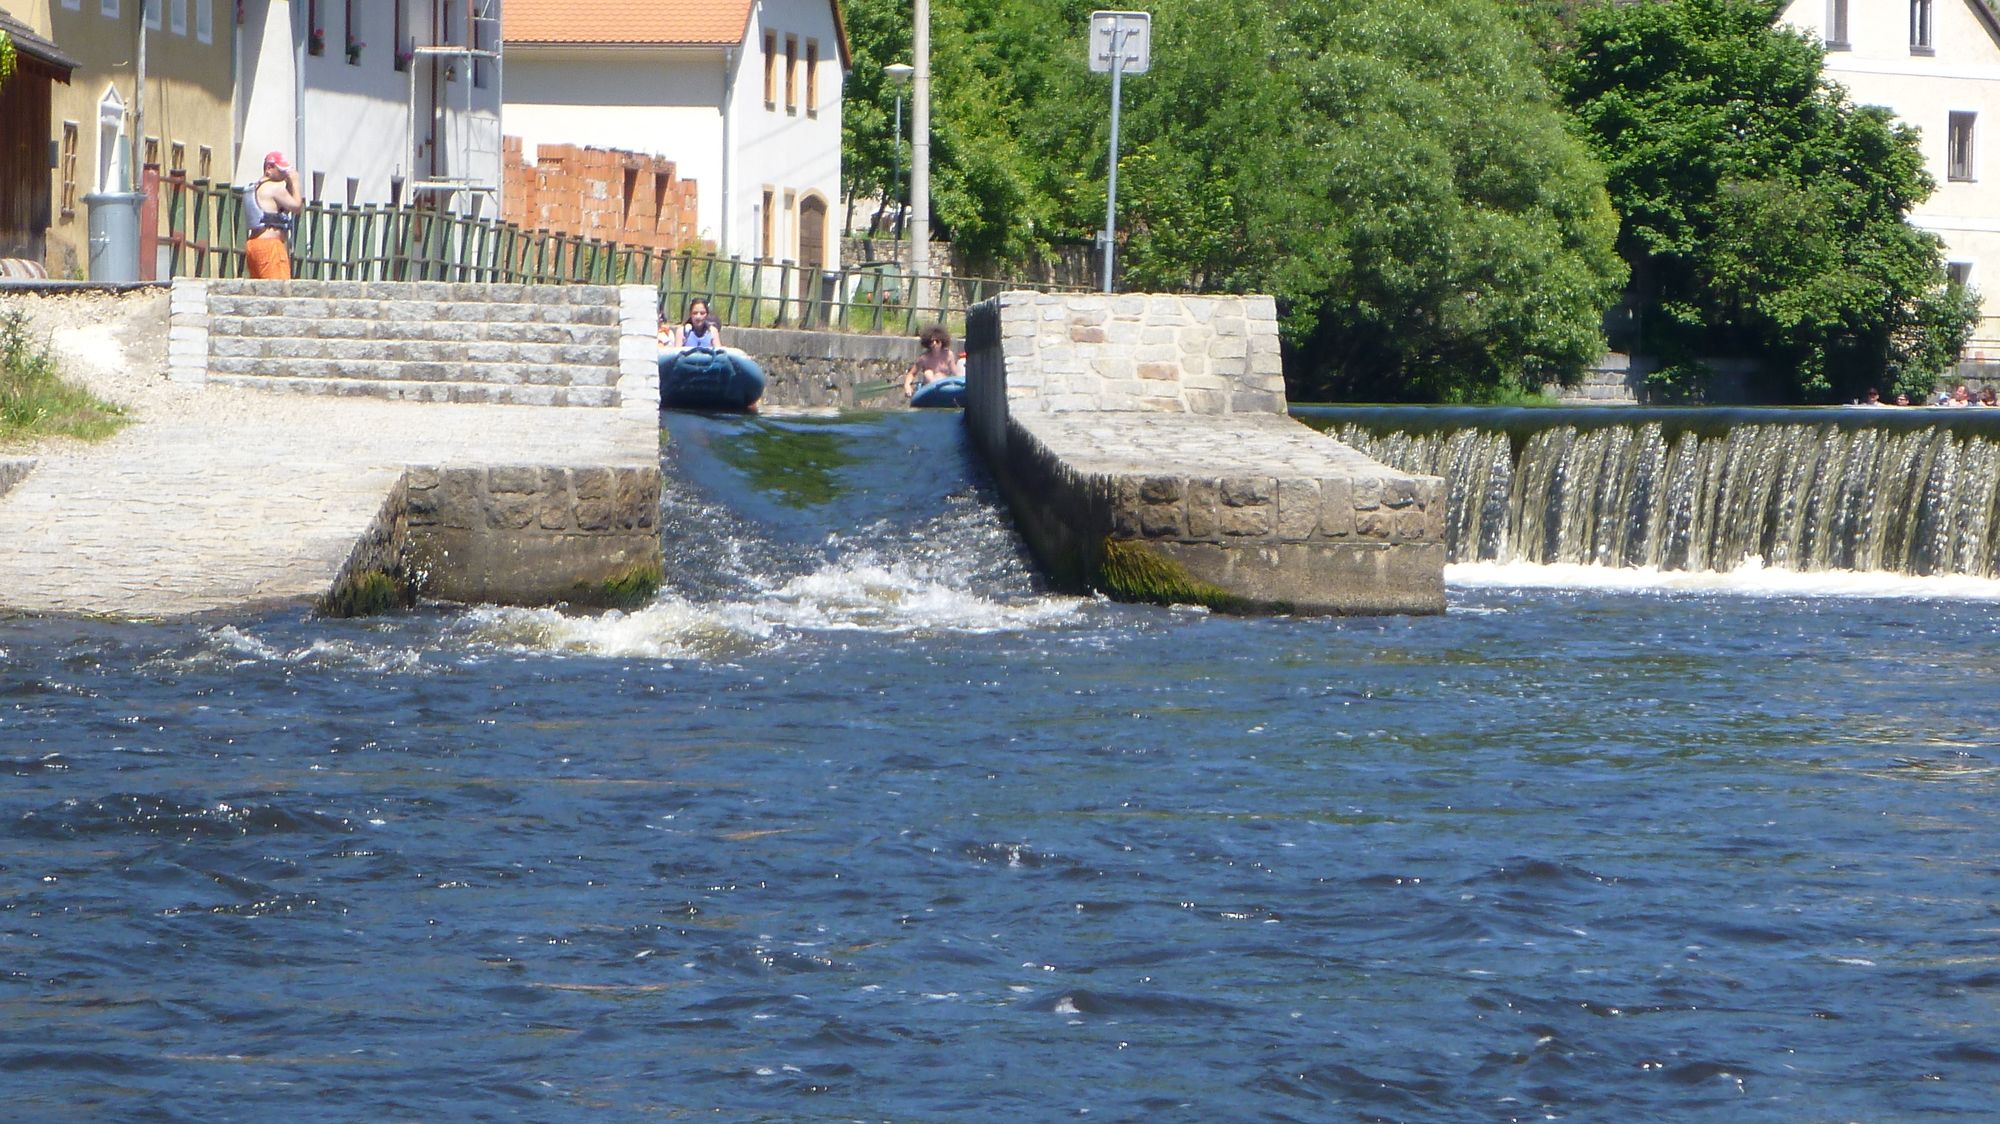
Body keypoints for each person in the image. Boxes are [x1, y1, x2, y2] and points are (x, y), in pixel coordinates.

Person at [244, 150, 301, 280]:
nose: (284, 174)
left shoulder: (256, 187)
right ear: (269, 168)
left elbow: (281, 208)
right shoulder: (275, 188)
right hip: (270, 246)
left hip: (253, 244)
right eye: (281, 171)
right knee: (279, 288)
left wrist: (288, 184)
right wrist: (295, 182)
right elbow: (296, 207)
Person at [903, 323, 960, 398]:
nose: (934, 344)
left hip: (945, 388)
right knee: (928, 373)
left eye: (937, 341)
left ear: (942, 341)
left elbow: (956, 373)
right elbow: (911, 373)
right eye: (931, 341)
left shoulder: (949, 355)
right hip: (929, 390)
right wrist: (907, 386)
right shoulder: (924, 358)